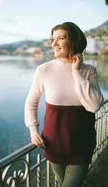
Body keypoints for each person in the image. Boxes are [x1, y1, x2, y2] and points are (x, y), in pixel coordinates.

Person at [24, 22, 104, 187]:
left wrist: (76, 73)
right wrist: (33, 131)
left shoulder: (89, 71)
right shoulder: (43, 70)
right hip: (53, 144)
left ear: (73, 41)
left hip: (82, 145)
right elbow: (31, 102)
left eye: (60, 38)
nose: (54, 44)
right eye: (53, 39)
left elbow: (94, 105)